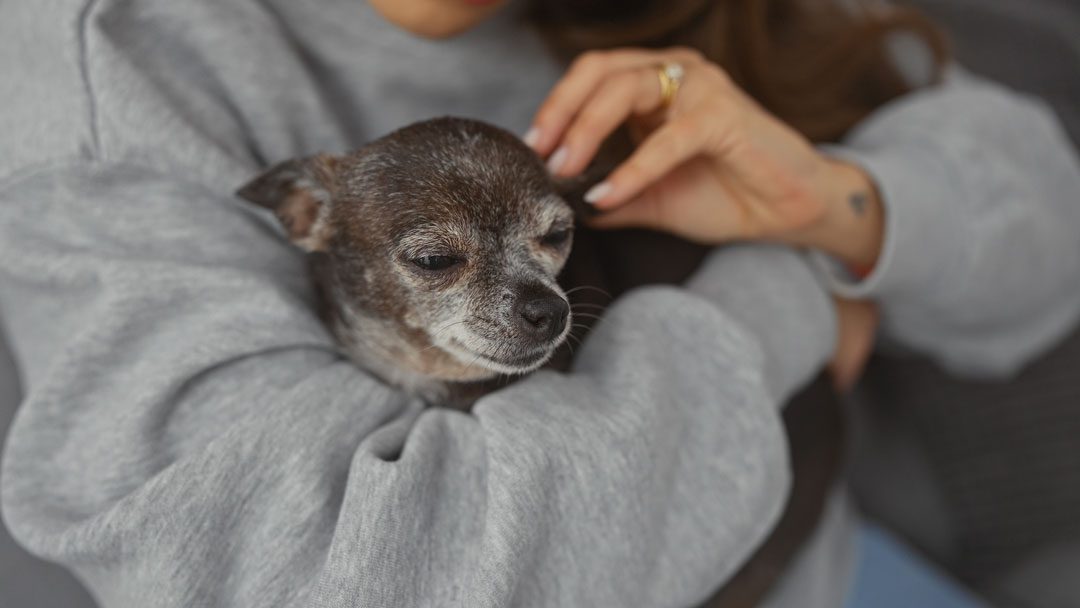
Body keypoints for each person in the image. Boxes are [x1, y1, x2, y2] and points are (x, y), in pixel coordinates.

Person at [0, 1, 1076, 607]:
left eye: (553, 240)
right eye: (436, 259)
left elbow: (1047, 228)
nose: (540, 300)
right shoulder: (109, 64)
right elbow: (366, 574)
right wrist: (787, 298)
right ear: (301, 213)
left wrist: (836, 205)